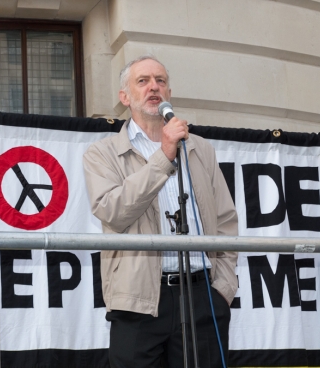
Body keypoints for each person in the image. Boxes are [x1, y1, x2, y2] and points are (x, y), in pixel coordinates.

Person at [83, 55, 238, 368]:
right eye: (143, 81)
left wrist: (223, 286)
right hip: (137, 302)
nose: (153, 87)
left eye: (160, 81)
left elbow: (225, 221)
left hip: (202, 296)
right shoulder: (102, 153)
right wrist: (164, 155)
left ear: (169, 93)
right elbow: (113, 210)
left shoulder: (200, 148)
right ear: (124, 97)